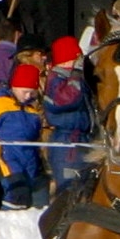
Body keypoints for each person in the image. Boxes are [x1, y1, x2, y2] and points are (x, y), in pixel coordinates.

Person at [0, 63, 50, 209]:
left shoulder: (32, 110)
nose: (28, 96)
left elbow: (37, 136)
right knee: (17, 191)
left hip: (31, 157)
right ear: (14, 86)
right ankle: (9, 221)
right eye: (25, 91)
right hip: (8, 156)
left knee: (40, 193)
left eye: (32, 93)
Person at [42, 36, 94, 184]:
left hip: (83, 139)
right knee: (69, 186)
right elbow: (67, 100)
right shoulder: (56, 78)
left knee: (85, 185)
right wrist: (76, 74)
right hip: (66, 143)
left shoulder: (78, 79)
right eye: (76, 59)